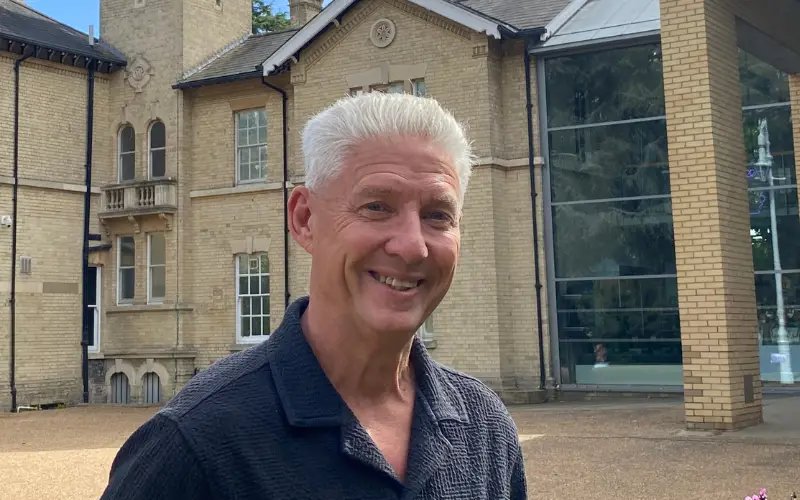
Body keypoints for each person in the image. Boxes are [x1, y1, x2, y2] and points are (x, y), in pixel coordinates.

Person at [100, 92, 527, 499]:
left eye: (438, 215)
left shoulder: (486, 426)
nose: (412, 245)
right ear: (305, 219)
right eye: (377, 206)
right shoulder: (196, 440)